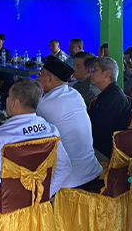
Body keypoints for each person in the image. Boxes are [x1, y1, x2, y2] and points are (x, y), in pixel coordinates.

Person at [0, 78, 72, 217]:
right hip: (36, 205)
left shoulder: (2, 136)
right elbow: (65, 168)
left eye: (9, 96)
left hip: (3, 209)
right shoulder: (51, 131)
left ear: (14, 103)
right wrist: (43, 194)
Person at [36, 56, 102, 189]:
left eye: (40, 75)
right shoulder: (75, 94)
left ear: (50, 79)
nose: (37, 80)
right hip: (92, 170)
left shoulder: (44, 105)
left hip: (70, 179)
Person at [87, 57, 132, 158]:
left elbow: (98, 132)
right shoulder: (109, 93)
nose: (90, 74)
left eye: (95, 70)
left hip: (106, 152)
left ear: (107, 74)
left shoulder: (112, 98)